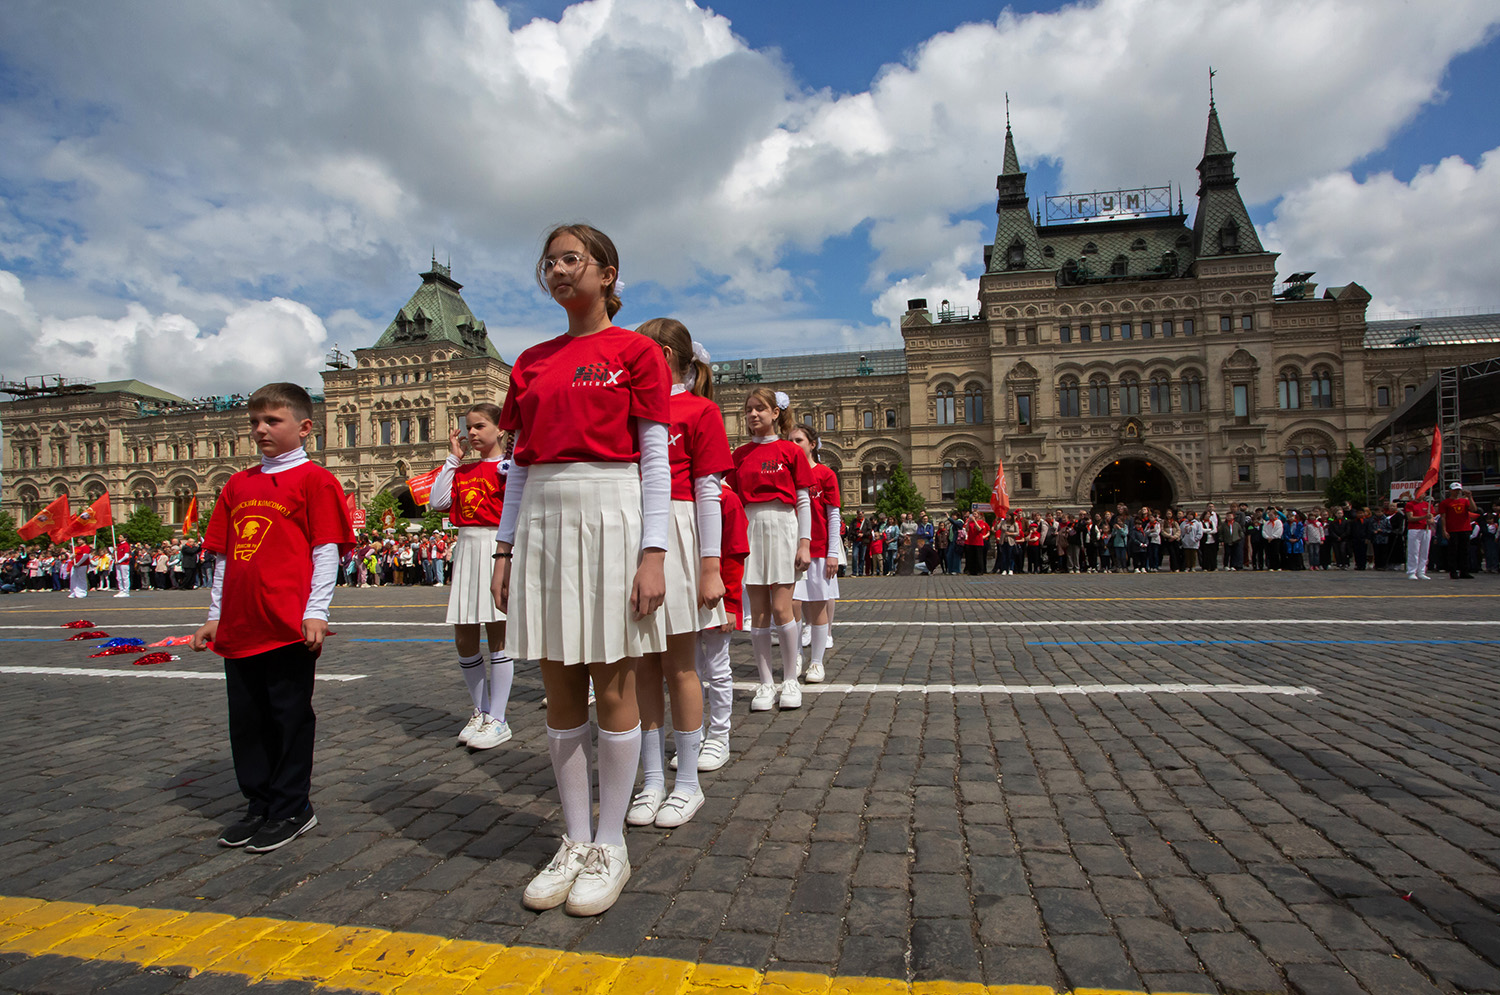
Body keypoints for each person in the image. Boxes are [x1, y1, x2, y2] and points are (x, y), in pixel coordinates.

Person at [491, 225, 672, 917]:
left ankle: (610, 841)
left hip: (612, 513)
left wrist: (653, 552)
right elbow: (520, 465)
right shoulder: (531, 361)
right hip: (542, 517)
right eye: (551, 261)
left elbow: (653, 459)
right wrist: (504, 548)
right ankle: (572, 838)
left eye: (572, 258)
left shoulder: (638, 353)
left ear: (607, 271)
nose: (558, 269)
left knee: (615, 678)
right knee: (559, 683)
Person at [190, 382, 354, 853]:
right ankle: (258, 803)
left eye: (272, 421)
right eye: (255, 422)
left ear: (304, 427)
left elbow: (325, 549)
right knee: (246, 719)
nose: (261, 429)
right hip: (239, 623)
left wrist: (317, 611)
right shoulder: (238, 483)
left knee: (288, 716)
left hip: (285, 622)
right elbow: (222, 556)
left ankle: (292, 807)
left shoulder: (315, 480)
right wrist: (215, 614)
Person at [628, 317, 732, 830]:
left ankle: (686, 782)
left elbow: (709, 491)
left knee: (680, 665)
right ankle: (651, 778)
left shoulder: (699, 410)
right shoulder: (627, 407)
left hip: (679, 528)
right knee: (642, 666)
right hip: (634, 531)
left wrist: (710, 567)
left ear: (665, 355)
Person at [428, 403, 515, 752]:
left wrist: (506, 559)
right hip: (466, 548)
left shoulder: (508, 469)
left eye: (480, 426)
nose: (472, 433)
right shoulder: (463, 471)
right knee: (464, 635)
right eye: (468, 428)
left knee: (497, 634)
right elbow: (437, 502)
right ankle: (479, 710)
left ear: (499, 430)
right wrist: (453, 458)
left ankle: (499, 716)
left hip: (495, 546)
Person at [729, 386, 812, 712]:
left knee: (782, 609)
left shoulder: (790, 452)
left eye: (759, 408)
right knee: (759, 614)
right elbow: (733, 501)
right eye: (748, 409)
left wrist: (804, 542)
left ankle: (789, 678)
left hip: (783, 527)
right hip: (751, 528)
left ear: (775, 413)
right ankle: (765, 682)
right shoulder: (739, 455)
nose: (753, 414)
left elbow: (803, 499)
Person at [695, 485, 748, 776]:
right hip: (683, 593)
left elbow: (735, 553)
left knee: (717, 667)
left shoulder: (727, 498)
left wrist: (731, 604)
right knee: (687, 669)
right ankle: (693, 734)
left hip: (718, 594)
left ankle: (718, 735)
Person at [789, 423, 840, 686]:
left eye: (799, 440)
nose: (794, 444)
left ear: (812, 444)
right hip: (791, 551)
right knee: (792, 606)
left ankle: (817, 662)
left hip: (819, 550)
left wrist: (833, 552)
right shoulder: (785, 475)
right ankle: (795, 655)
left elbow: (833, 514)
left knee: (818, 605)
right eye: (790, 440)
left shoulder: (825, 474)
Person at [1438, 483, 1479, 579]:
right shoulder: (1445, 503)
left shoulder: (1464, 501)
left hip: (1464, 528)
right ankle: (1453, 571)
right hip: (1452, 529)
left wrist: (1470, 497)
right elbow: (1443, 517)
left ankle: (1464, 571)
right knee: (1453, 551)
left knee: (1464, 551)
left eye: (1458, 490)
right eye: (1455, 490)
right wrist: (1444, 530)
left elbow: (1474, 509)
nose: (1457, 492)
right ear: (1450, 490)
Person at [1405, 491, 1433, 580]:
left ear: (1424, 495)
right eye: (1417, 493)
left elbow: (1432, 519)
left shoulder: (1428, 506)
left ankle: (1421, 571)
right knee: (1414, 551)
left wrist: (1430, 521)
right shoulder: (1410, 504)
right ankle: (1412, 571)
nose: (1419, 495)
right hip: (1414, 529)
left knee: (1424, 551)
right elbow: (1410, 518)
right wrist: (1424, 517)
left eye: (1421, 493)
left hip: (1426, 529)